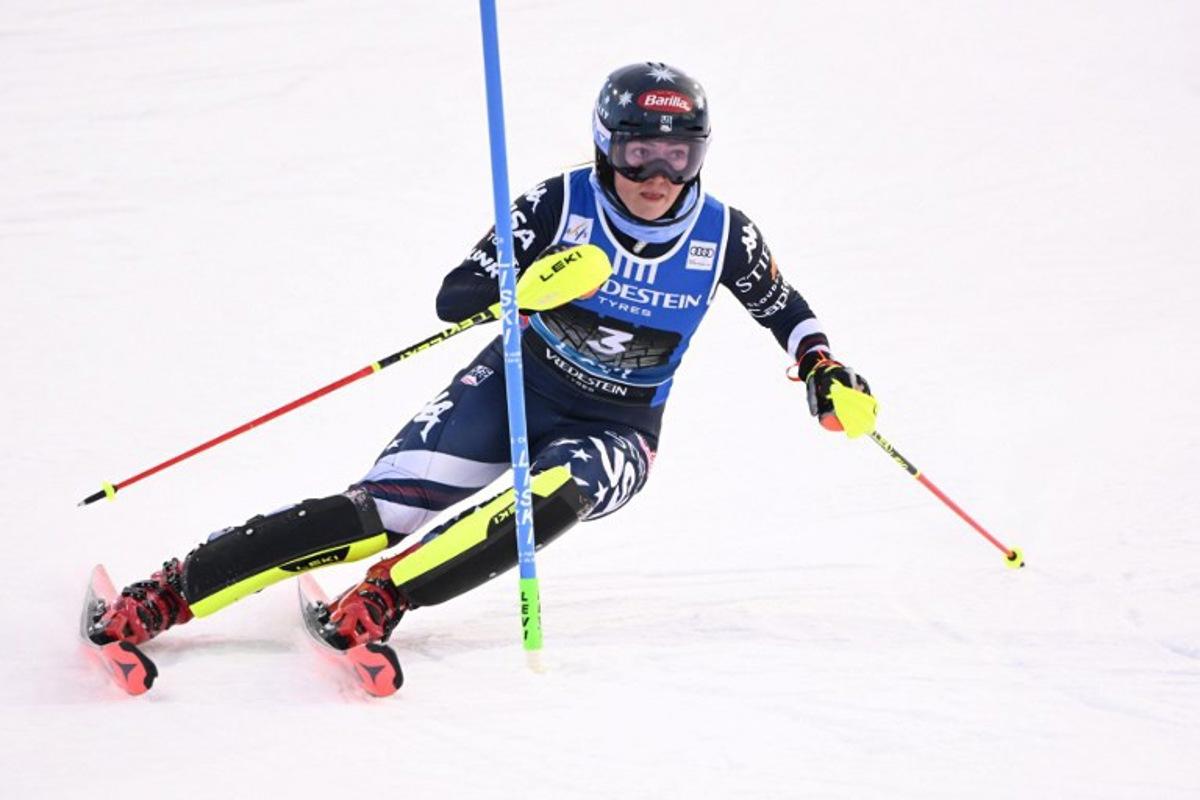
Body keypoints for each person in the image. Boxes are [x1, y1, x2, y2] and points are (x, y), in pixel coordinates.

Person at [88, 62, 876, 651]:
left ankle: (382, 601)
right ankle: (169, 593)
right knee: (383, 513)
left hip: (620, 426)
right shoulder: (559, 203)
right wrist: (519, 288)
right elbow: (454, 295)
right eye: (639, 152)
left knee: (557, 491)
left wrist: (823, 369)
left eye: (679, 156)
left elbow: (784, 308)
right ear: (607, 145)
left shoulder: (724, 234)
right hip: (514, 387)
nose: (656, 177)